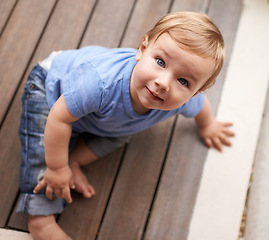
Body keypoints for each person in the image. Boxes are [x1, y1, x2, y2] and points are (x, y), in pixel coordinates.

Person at [17, 11, 234, 240]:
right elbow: (58, 119)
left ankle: (76, 159)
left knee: (123, 134)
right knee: (46, 151)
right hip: (51, 91)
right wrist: (58, 168)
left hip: (97, 116)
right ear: (142, 49)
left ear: (195, 92)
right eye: (160, 62)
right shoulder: (100, 82)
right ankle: (41, 219)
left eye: (183, 81)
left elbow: (201, 107)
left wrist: (208, 125)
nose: (163, 83)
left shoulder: (183, 100)